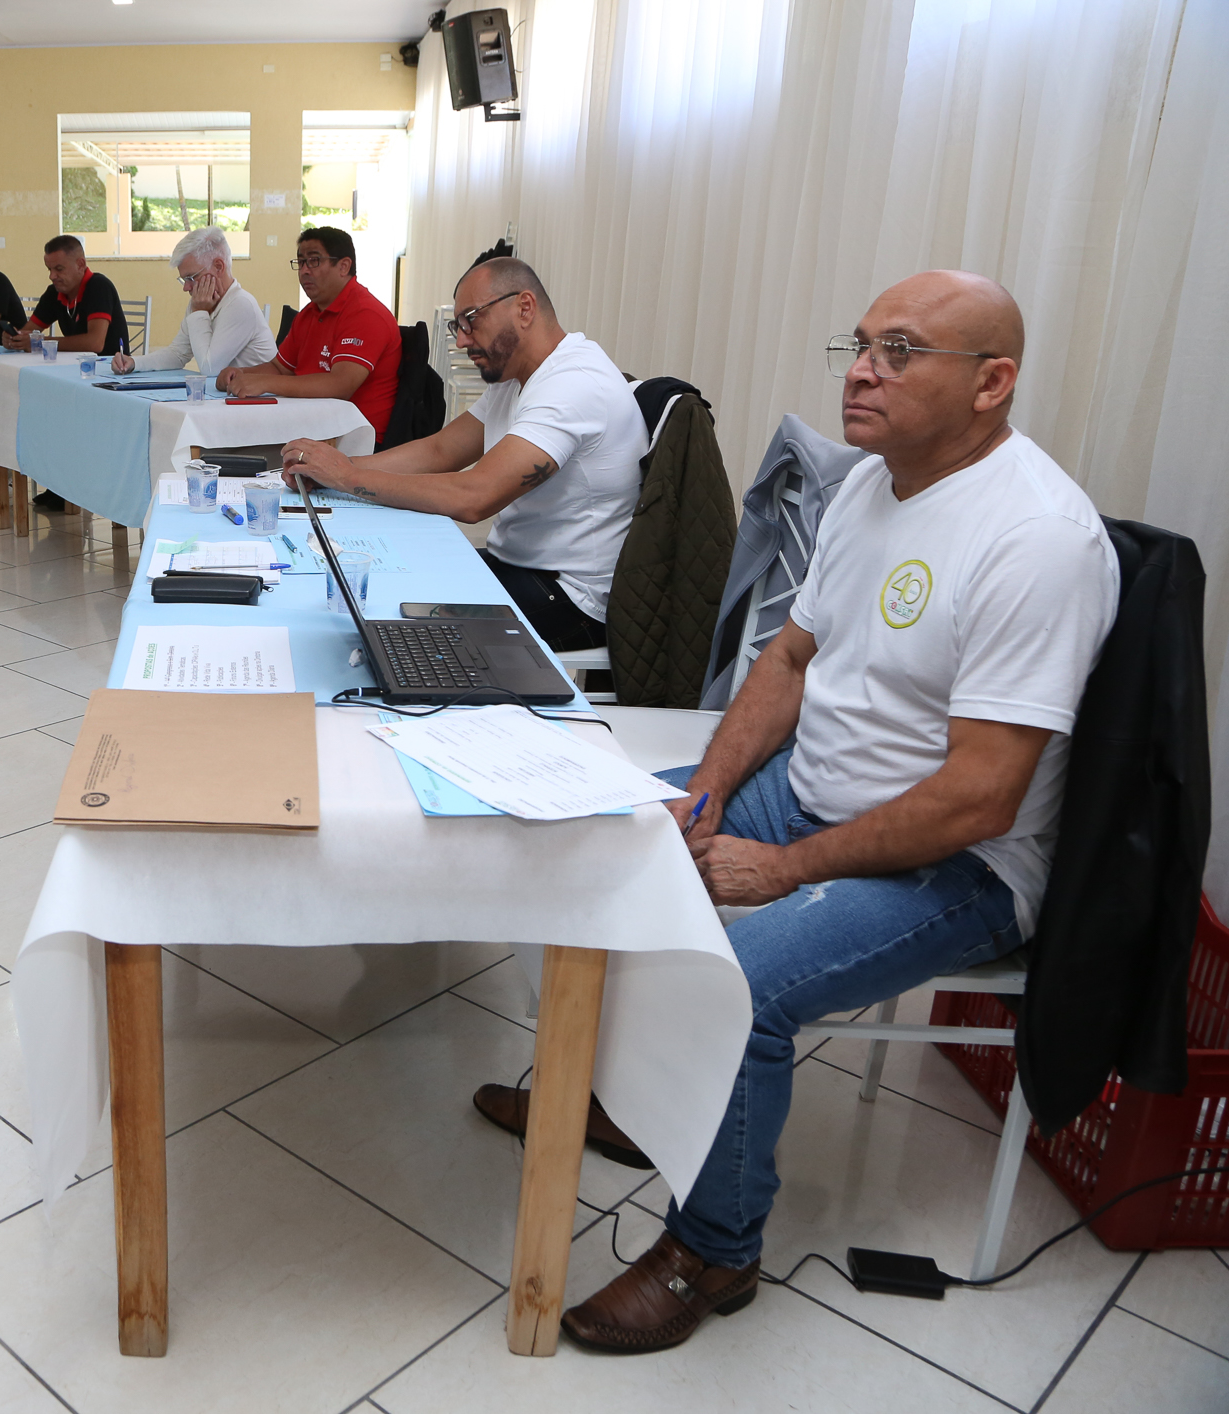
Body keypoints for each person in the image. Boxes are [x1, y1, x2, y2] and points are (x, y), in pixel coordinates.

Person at [474, 271, 1119, 1354]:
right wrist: (713, 786)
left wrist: (785, 867)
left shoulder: (1039, 539)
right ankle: (618, 1101)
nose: (862, 370)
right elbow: (791, 655)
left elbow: (981, 795)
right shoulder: (874, 482)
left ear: (991, 384)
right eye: (861, 344)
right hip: (816, 789)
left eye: (900, 351)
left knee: (748, 978)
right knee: (625, 854)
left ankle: (716, 1247)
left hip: (961, 866)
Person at [277, 257, 641, 652]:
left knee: (386, 615)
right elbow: (440, 450)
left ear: (524, 308)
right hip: (519, 565)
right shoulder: (518, 373)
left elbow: (473, 498)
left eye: (472, 320)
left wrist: (347, 478)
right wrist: (334, 468)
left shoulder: (573, 384)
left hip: (569, 597)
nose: (463, 340)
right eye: (458, 326)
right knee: (384, 580)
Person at [222, 226, 401, 441]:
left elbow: (340, 385)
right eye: (301, 262)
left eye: (314, 261)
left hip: (350, 439)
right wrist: (241, 375)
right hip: (306, 427)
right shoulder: (309, 313)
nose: (305, 270)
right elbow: (280, 369)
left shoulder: (366, 314)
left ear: (343, 266)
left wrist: (264, 383)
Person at [5, 234, 130, 510]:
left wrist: (38, 343)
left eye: (58, 269)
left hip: (109, 375)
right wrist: (14, 338)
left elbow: (95, 343)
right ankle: (55, 479)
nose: (52, 276)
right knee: (40, 404)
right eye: (49, 269)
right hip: (74, 374)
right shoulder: (56, 294)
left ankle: (70, 483)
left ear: (80, 264)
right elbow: (31, 330)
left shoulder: (98, 286)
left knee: (56, 408)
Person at [110, 224, 275, 381]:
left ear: (218, 266)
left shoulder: (240, 304)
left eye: (192, 277)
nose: (186, 287)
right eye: (183, 280)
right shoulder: (200, 303)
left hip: (259, 405)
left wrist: (199, 312)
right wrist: (135, 362)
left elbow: (210, 368)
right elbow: (178, 353)